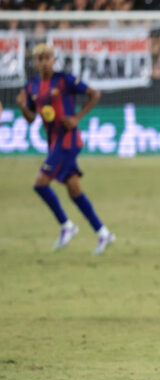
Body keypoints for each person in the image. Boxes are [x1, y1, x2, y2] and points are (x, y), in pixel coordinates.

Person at [16, 43, 115, 254]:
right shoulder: (32, 86)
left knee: (40, 183)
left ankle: (66, 225)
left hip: (69, 141)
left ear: (54, 60)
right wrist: (23, 106)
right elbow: (31, 119)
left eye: (47, 58)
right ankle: (103, 232)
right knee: (74, 190)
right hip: (54, 143)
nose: (44, 62)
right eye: (40, 59)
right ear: (35, 62)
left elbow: (95, 94)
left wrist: (77, 117)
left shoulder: (64, 80)